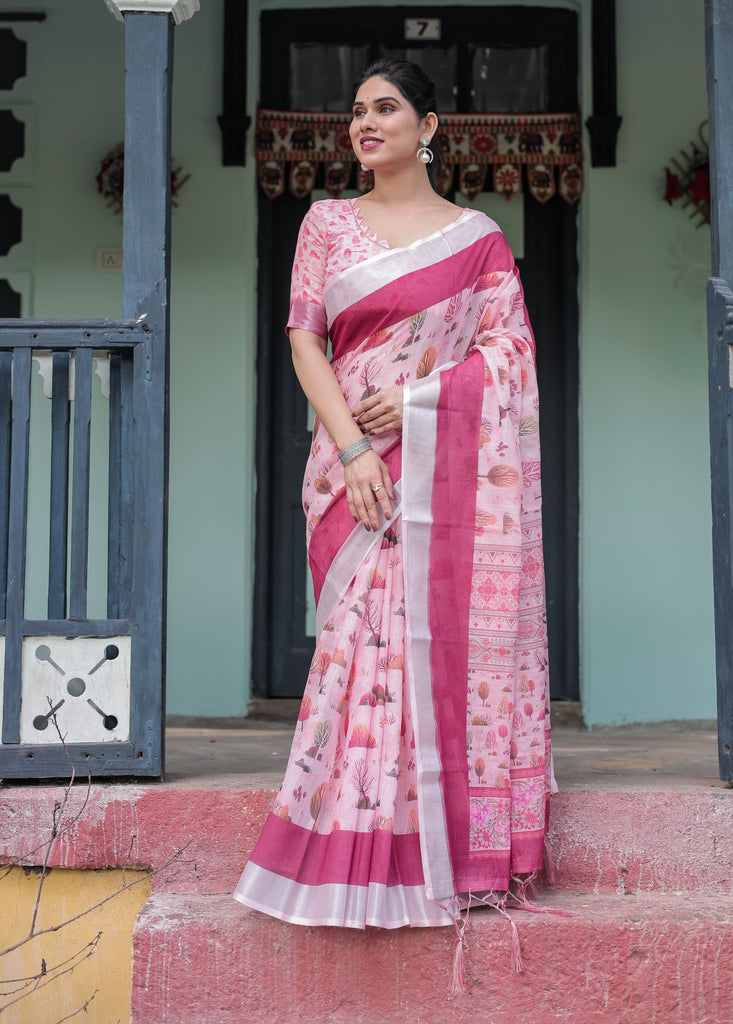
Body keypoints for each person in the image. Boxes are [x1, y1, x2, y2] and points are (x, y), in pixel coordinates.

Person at [234, 57, 553, 981]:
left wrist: (418, 395)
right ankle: (340, 838)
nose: (364, 125)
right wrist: (353, 449)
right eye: (357, 112)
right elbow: (303, 337)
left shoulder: (478, 238)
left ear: (430, 125)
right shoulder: (327, 223)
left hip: (443, 472)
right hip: (352, 473)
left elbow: (509, 353)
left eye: (385, 109)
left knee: (422, 646)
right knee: (357, 651)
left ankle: (430, 847)